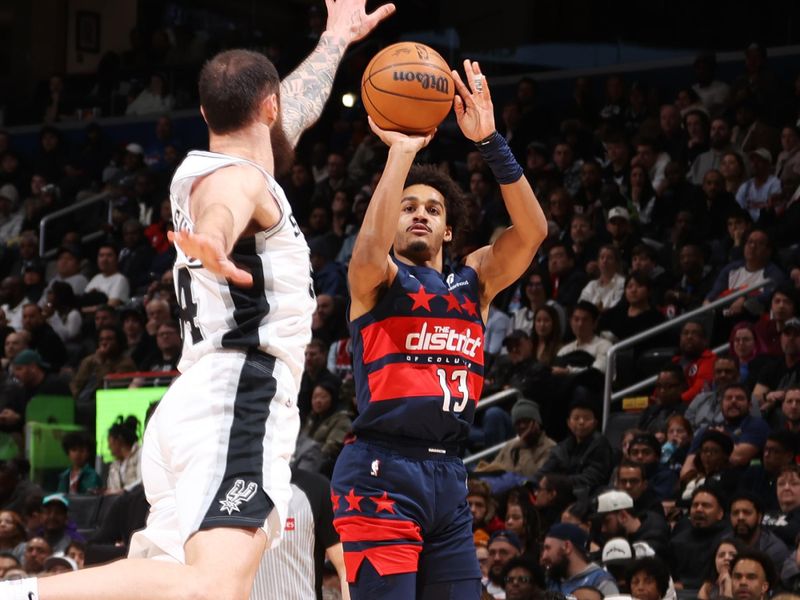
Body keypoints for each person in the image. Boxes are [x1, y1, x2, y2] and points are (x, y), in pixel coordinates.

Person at [3, 5, 398, 599]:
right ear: (267, 107)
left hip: (194, 403)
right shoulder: (236, 180)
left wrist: (335, 40)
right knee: (212, 589)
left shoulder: (214, 162)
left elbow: (294, 108)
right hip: (237, 397)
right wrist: (214, 236)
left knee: (178, 588)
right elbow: (227, 203)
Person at [330, 60, 547, 600]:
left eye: (432, 207)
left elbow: (534, 230)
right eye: (407, 207)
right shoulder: (376, 279)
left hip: (449, 474)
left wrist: (492, 140)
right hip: (380, 471)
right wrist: (401, 154)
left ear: (450, 227)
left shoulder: (476, 280)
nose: (419, 214)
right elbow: (367, 250)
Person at [539, 523, 619, 596]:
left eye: (548, 548)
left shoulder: (600, 582)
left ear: (567, 547)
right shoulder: (551, 581)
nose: (544, 556)